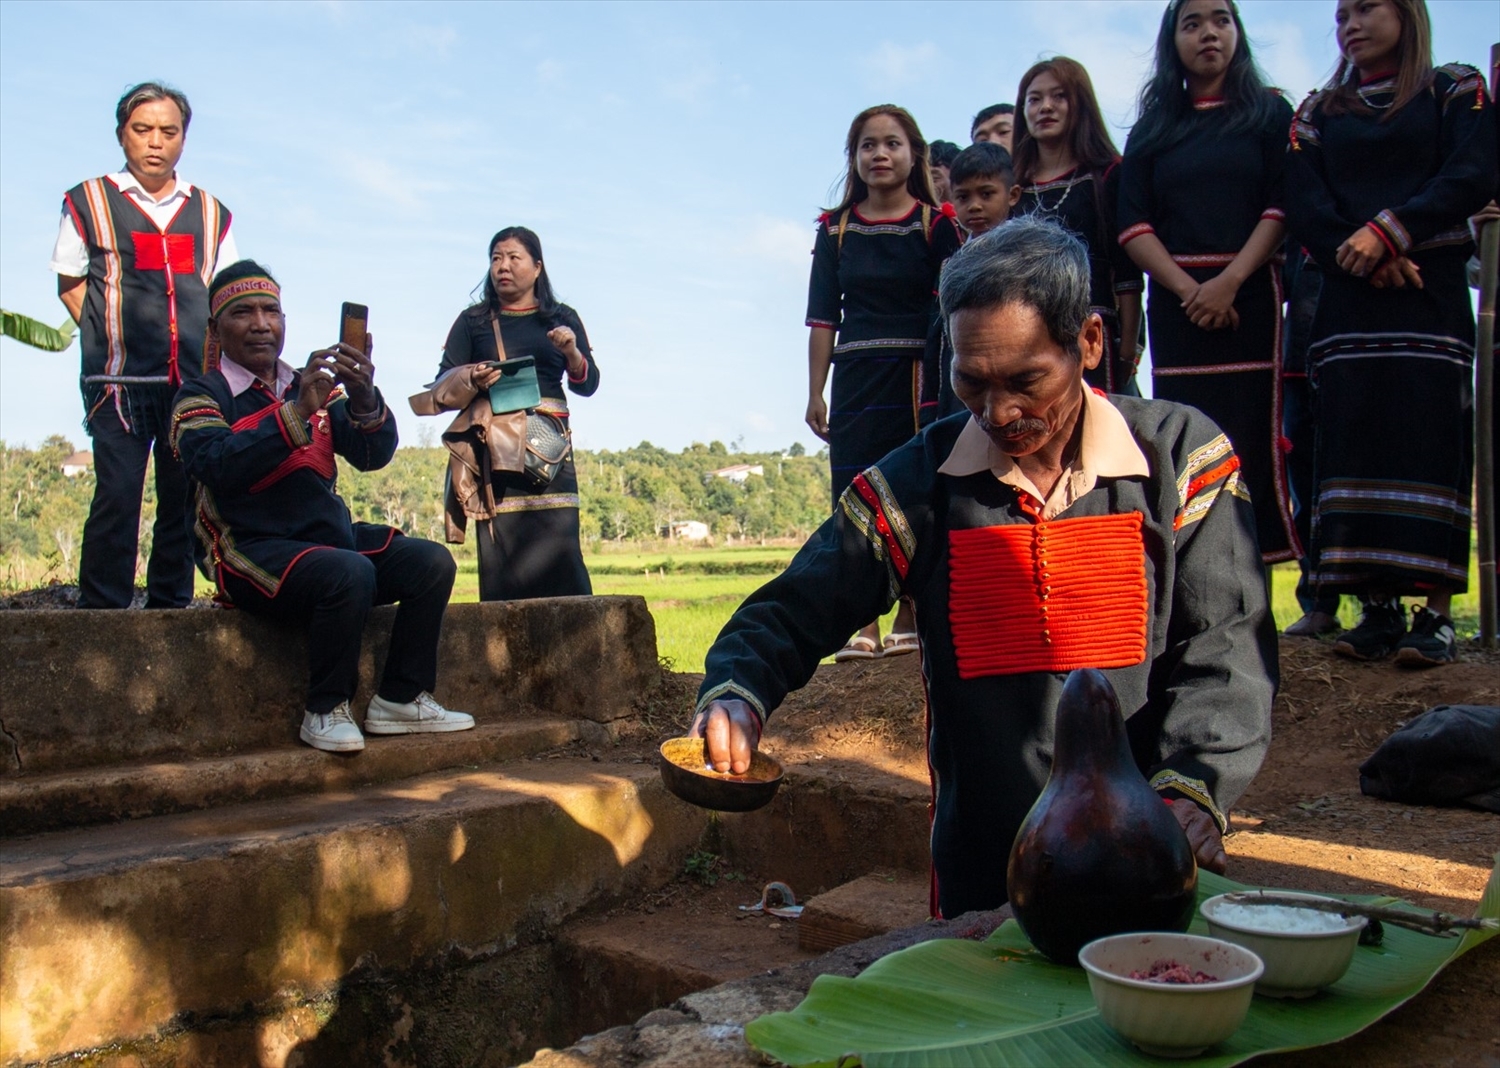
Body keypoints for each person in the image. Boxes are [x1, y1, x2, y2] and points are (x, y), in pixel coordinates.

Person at [694, 219, 1276, 918]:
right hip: (987, 874)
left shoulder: (1181, 459)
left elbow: (1227, 642)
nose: (999, 413)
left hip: (1149, 859)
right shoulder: (919, 485)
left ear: (1089, 342)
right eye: (971, 383)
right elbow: (796, 606)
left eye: (1026, 381)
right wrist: (736, 691)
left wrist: (1192, 788)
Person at [171, 262, 473, 752]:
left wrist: (362, 396)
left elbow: (374, 455)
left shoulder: (307, 385)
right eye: (243, 312)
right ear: (215, 328)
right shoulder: (202, 395)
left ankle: (400, 697)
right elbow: (215, 464)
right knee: (347, 572)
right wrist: (294, 414)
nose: (261, 324)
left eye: (271, 311)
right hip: (249, 550)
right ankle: (325, 709)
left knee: (429, 563)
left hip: (326, 543)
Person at [1286, 0, 1495, 665]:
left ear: (1407, 13)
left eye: (1368, 7)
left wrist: (1391, 232)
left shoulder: (1455, 90)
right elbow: (1304, 197)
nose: (1350, 21)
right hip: (1349, 303)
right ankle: (1375, 610)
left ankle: (1433, 613)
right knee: (1353, 439)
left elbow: (1471, 171)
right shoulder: (1317, 112)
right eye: (1341, 12)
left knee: (1428, 436)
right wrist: (1363, 252)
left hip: (1427, 297)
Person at [1119, 0, 1298, 567]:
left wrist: (1229, 281)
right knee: (1186, 439)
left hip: (1250, 297)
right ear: (1172, 41)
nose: (1207, 33)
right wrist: (1189, 289)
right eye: (1191, 24)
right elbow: (1131, 223)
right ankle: (1194, 584)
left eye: (1220, 19)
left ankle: (1260, 585)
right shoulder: (1152, 129)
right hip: (1179, 307)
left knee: (1252, 435)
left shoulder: (1270, 115)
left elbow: (1282, 203)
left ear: (1237, 32)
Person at [51, 82, 238, 609]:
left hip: (191, 385)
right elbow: (71, 284)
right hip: (119, 383)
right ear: (121, 135)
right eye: (142, 129)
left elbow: (224, 295)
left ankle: (170, 610)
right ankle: (103, 615)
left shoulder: (210, 213)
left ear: (183, 138)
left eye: (168, 131)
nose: (155, 141)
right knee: (117, 495)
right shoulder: (87, 201)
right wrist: (112, 333)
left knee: (182, 498)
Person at [805, 105, 963, 661]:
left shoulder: (936, 225)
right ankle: (861, 622)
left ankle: (910, 613)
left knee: (913, 487)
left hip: (917, 379)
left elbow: (951, 311)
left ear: (912, 153)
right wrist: (814, 391)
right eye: (867, 145)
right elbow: (823, 318)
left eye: (891, 143)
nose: (879, 154)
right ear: (854, 158)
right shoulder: (835, 229)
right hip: (854, 378)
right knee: (852, 491)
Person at [426, 227, 600, 602]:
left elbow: (588, 384)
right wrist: (473, 377)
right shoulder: (473, 321)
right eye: (496, 258)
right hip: (498, 453)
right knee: (502, 559)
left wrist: (571, 352)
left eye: (513, 258)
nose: (503, 266)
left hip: (550, 455)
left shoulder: (561, 317)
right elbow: (443, 383)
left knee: (563, 555)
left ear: (537, 267)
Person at [1012, 58, 1143, 395]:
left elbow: (1127, 273)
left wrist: (1129, 348)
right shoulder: (1012, 187)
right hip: (1026, 339)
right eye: (1035, 99)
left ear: (1080, 104)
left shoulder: (1108, 176)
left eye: (1059, 96)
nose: (1046, 108)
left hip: (1093, 335)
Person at [932, 142, 1021, 418]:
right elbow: (941, 334)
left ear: (1013, 195)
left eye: (986, 194)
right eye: (963, 197)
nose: (975, 206)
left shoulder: (1026, 254)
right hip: (962, 389)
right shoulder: (952, 263)